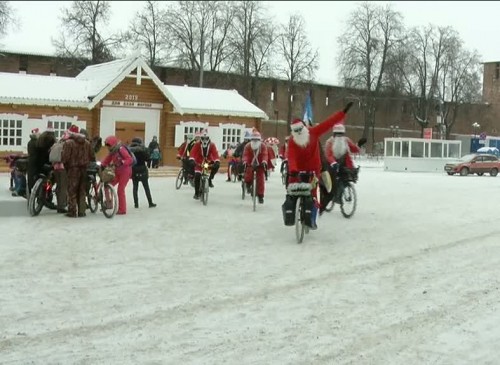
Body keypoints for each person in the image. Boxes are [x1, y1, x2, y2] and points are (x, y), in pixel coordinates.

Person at [283, 102, 353, 230]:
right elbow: (291, 156)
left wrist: (342, 113)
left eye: (300, 130)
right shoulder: (293, 141)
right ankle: (292, 214)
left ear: (304, 128)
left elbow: (328, 123)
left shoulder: (313, 133)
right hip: (297, 169)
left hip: (313, 169)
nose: (298, 132)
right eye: (296, 131)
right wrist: (293, 170)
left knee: (313, 194)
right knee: (291, 191)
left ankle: (312, 220)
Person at [322, 123, 366, 209]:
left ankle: (340, 193)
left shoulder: (346, 141)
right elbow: (328, 155)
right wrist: (333, 163)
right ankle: (331, 195)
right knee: (332, 180)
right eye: (338, 134)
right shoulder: (329, 142)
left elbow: (353, 149)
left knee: (346, 177)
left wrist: (359, 145)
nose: (340, 136)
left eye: (341, 134)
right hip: (332, 165)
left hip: (344, 165)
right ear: (334, 134)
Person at [61, 125, 95, 218]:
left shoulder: (68, 143)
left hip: (73, 169)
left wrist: (66, 166)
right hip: (84, 169)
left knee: (72, 190)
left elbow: (65, 158)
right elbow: (92, 156)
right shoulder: (87, 143)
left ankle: (72, 211)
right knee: (82, 189)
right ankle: (82, 211)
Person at [101, 135, 134, 215]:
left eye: (109, 145)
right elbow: (106, 160)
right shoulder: (112, 152)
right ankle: (109, 203)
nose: (108, 147)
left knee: (120, 189)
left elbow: (130, 159)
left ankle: (122, 210)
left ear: (113, 144)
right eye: (107, 146)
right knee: (107, 185)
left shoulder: (121, 149)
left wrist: (123, 162)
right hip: (117, 171)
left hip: (125, 171)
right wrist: (101, 165)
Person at [189, 129, 220, 200]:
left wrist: (217, 161)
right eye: (203, 138)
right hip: (198, 162)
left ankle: (210, 179)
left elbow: (215, 153)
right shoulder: (197, 144)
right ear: (201, 138)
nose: (205, 140)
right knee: (197, 176)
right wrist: (192, 159)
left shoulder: (212, 145)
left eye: (206, 138)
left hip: (207, 161)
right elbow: (193, 152)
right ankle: (196, 193)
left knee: (216, 166)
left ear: (209, 138)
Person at [129, 137, 157, 208]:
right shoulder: (142, 149)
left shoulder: (129, 150)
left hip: (134, 170)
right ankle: (150, 203)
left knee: (135, 188)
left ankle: (136, 204)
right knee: (146, 187)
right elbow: (147, 159)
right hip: (142, 169)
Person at [242, 131, 268, 204]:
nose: (255, 141)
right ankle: (248, 184)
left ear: (259, 140)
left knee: (261, 180)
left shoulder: (263, 146)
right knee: (248, 174)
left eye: (257, 139)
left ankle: (260, 196)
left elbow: (264, 154)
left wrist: (264, 161)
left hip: (260, 165)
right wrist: (245, 162)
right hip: (250, 164)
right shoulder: (248, 146)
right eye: (253, 139)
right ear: (251, 139)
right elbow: (245, 155)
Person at [49, 128, 71, 213]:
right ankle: (61, 206)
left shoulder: (58, 143)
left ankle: (59, 203)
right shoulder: (67, 144)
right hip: (63, 168)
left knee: (59, 186)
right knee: (63, 187)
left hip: (55, 167)